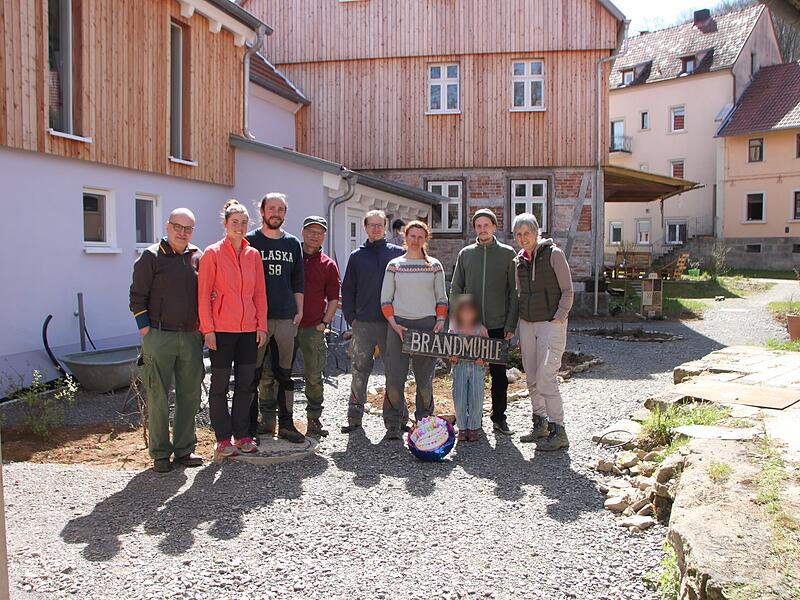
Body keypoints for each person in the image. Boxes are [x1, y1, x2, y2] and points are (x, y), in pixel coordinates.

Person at [130, 208, 205, 473]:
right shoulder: (150, 256)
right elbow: (137, 296)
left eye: (188, 228)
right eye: (177, 227)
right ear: (167, 226)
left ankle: (184, 449)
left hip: (191, 337)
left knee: (189, 395)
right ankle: (160, 453)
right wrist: (146, 330)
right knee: (158, 396)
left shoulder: (198, 256)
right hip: (159, 336)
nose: (182, 233)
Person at [198, 200, 268, 460]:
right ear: (225, 224)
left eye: (244, 223)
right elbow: (203, 295)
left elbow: (259, 294)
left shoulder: (253, 255)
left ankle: (242, 435)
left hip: (248, 330)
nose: (240, 227)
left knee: (246, 385)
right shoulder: (212, 253)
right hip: (221, 331)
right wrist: (208, 329)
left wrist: (261, 325)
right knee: (219, 386)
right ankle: (223, 439)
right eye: (235, 222)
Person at [450, 208, 518, 436]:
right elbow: (456, 288)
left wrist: (510, 324)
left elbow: (513, 292)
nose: (482, 229)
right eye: (478, 226)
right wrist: (460, 321)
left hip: (498, 324)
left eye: (486, 225)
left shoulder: (508, 254)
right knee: (467, 374)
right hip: (470, 325)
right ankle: (469, 422)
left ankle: (499, 418)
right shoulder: (466, 254)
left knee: (499, 375)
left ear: (494, 227)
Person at [246, 192, 305, 444]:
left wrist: (299, 310)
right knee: (253, 374)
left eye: (280, 209)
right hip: (256, 319)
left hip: (285, 317)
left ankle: (287, 425)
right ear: (262, 211)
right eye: (271, 208)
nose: (276, 213)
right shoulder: (250, 241)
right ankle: (250, 427)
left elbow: (298, 280)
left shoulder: (292, 244)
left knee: (285, 374)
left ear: (285, 213)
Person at [380, 221, 448, 440]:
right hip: (398, 326)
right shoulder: (394, 265)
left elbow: (441, 297)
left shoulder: (434, 266)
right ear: (405, 237)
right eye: (412, 236)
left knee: (424, 380)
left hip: (426, 327)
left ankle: (424, 422)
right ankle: (394, 422)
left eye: (420, 237)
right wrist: (393, 323)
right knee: (394, 378)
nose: (416, 240)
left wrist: (440, 320)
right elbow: (385, 299)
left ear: (425, 239)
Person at [512, 213, 574, 451]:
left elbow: (567, 290)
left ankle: (559, 431)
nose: (523, 238)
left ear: (537, 232)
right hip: (528, 324)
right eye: (518, 234)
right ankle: (540, 423)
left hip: (551, 323)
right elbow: (520, 294)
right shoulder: (519, 261)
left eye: (527, 233)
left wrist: (559, 317)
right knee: (531, 376)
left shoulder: (554, 254)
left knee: (546, 377)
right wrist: (519, 327)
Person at [339, 210, 404, 433]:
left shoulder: (398, 255)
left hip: (391, 324)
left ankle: (395, 420)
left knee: (393, 371)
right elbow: (348, 289)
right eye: (372, 225)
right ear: (365, 227)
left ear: (385, 227)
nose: (376, 228)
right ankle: (354, 417)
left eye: (380, 225)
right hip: (363, 324)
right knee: (359, 369)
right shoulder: (357, 256)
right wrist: (352, 318)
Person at [294, 216, 341, 437]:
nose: (315, 235)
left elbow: (334, 297)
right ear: (303, 232)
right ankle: (271, 419)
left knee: (314, 375)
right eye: (311, 231)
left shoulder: (328, 265)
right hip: (287, 324)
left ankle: (313, 419)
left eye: (319, 232)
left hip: (313, 327)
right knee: (274, 373)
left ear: (324, 236)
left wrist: (324, 323)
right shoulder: (291, 257)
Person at [448, 295, 488, 443]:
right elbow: (447, 349)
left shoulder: (481, 329)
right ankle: (462, 427)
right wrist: (452, 357)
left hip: (477, 368)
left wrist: (483, 360)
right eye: (463, 311)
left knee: (476, 398)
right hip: (460, 367)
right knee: (459, 398)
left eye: (470, 311)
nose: (467, 314)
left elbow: (489, 349)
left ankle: (473, 427)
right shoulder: (454, 329)